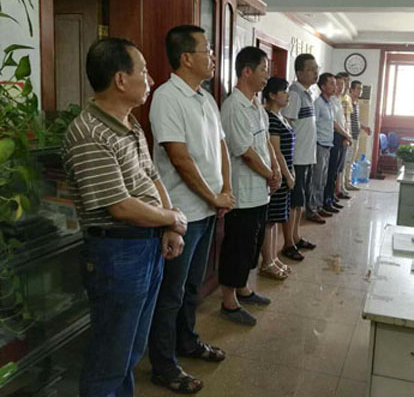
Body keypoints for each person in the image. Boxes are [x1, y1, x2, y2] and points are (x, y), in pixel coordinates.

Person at [63, 38, 188, 397]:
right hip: (117, 254)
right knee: (110, 356)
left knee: (130, 350)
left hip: (145, 246)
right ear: (120, 79)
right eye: (144, 72)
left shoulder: (129, 123)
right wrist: (171, 218)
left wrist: (169, 223)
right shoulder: (89, 133)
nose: (151, 79)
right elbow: (119, 206)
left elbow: (151, 176)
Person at [148, 25, 235, 394]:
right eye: (207, 50)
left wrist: (225, 190)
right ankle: (163, 365)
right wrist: (214, 197)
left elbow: (221, 147)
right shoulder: (166, 97)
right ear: (186, 57)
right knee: (171, 293)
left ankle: (187, 341)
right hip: (181, 214)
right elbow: (179, 158)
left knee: (192, 287)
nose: (212, 57)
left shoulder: (206, 98)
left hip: (208, 209)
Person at [219, 46, 281, 326]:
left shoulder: (256, 104)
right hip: (243, 192)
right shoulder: (234, 107)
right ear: (246, 72)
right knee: (237, 246)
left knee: (252, 245)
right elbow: (244, 151)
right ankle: (229, 302)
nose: (267, 76)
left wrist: (275, 169)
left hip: (261, 191)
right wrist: (270, 175)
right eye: (263, 70)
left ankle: (243, 288)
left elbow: (265, 140)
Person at [281, 53, 319, 260]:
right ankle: (288, 243)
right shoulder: (294, 94)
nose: (315, 72)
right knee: (293, 202)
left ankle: (296, 237)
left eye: (316, 68)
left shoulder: (307, 93)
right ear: (299, 72)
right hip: (296, 159)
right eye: (311, 69)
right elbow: (286, 124)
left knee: (299, 202)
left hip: (306, 157)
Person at [260, 77, 296, 277]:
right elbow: (276, 151)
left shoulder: (282, 117)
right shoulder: (270, 118)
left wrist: (292, 172)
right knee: (270, 220)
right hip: (277, 175)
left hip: (286, 174)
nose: (287, 95)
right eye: (283, 91)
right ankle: (267, 262)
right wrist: (287, 175)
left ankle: (274, 258)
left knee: (276, 219)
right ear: (272, 95)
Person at [308, 73, 336, 219]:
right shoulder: (318, 103)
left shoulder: (329, 103)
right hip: (319, 145)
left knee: (323, 180)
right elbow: (313, 125)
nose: (335, 87)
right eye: (331, 83)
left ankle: (319, 206)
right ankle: (312, 209)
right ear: (323, 86)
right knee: (316, 180)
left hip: (328, 144)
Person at [324, 74, 352, 211]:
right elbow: (334, 123)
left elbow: (343, 120)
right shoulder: (329, 101)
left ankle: (331, 197)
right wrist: (346, 135)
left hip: (341, 136)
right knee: (331, 171)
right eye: (337, 84)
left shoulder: (337, 100)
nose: (339, 87)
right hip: (335, 136)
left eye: (342, 84)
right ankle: (326, 200)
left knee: (336, 170)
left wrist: (346, 135)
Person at [344, 80, 371, 190]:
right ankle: (345, 184)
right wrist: (347, 135)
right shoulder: (347, 102)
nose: (360, 91)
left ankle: (348, 182)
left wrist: (364, 127)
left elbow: (356, 121)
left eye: (361, 89)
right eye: (358, 88)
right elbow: (346, 120)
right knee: (347, 161)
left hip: (356, 136)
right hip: (349, 136)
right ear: (351, 90)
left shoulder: (356, 103)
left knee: (351, 161)